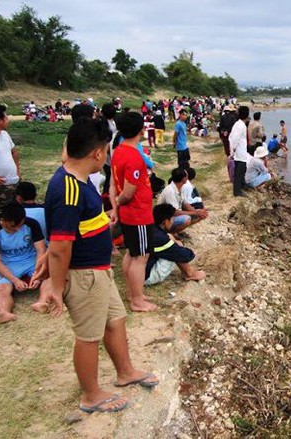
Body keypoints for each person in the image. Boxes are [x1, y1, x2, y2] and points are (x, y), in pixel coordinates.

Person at [43, 117, 158, 414]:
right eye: (105, 150)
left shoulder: (79, 180)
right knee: (89, 335)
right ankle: (91, 394)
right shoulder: (67, 189)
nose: (106, 155)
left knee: (115, 320)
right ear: (97, 153)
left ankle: (125, 372)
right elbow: (60, 246)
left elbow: (67, 233)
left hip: (99, 270)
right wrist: (55, 286)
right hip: (83, 275)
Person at [111, 112, 157, 312]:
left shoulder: (118, 151)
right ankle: (137, 300)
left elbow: (113, 183)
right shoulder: (134, 157)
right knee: (141, 256)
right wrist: (119, 203)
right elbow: (127, 192)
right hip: (137, 213)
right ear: (141, 130)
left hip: (131, 213)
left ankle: (133, 292)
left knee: (132, 253)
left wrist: (115, 206)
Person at [0, 202, 48, 323]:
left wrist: (37, 272)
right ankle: (4, 312)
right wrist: (14, 280)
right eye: (12, 227)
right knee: (3, 288)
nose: (17, 229)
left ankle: (42, 302)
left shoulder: (32, 224)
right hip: (8, 264)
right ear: (3, 221)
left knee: (49, 275)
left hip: (31, 259)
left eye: (20, 225)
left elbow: (40, 249)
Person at [145, 204, 205, 285]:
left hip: (136, 272)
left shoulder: (150, 228)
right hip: (146, 277)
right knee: (176, 248)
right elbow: (186, 255)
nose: (173, 221)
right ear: (166, 222)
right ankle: (189, 274)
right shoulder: (160, 238)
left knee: (172, 242)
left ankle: (187, 272)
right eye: (172, 218)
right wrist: (177, 244)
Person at [156, 167, 207, 234]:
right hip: (165, 218)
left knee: (201, 214)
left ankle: (176, 231)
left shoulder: (180, 188)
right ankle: (170, 233)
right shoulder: (170, 191)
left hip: (173, 215)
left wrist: (197, 211)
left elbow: (185, 203)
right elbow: (174, 212)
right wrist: (194, 213)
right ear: (184, 179)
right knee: (186, 219)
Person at [15, 181, 48, 247]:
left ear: (18, 197)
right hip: (46, 248)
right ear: (35, 195)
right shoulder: (46, 210)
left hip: (23, 250)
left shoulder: (15, 213)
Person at [229, 106, 250, 197]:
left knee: (242, 169)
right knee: (239, 172)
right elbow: (234, 139)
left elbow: (232, 137)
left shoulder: (239, 124)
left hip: (241, 151)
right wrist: (232, 152)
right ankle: (237, 191)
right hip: (239, 152)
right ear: (247, 115)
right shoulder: (240, 125)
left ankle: (242, 185)